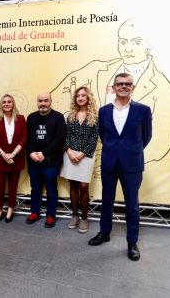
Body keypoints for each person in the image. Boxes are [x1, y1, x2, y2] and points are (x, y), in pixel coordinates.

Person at [51, 19, 170, 165]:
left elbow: (159, 145)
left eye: (136, 42)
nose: (128, 48)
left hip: (125, 161)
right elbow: (57, 96)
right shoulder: (97, 69)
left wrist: (120, 153)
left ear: (149, 45)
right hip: (89, 155)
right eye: (123, 42)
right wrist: (68, 119)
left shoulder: (169, 92)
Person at [88, 73, 152, 261]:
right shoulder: (104, 111)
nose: (123, 86)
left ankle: (132, 242)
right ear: (113, 87)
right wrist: (114, 149)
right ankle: (104, 233)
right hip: (109, 162)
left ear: (132, 87)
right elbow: (103, 135)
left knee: (132, 204)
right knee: (106, 200)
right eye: (120, 84)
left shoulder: (143, 110)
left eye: (127, 84)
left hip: (132, 164)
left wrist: (130, 150)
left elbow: (146, 137)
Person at [59, 87, 99, 233]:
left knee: (83, 186)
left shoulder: (94, 116)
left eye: (83, 95)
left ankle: (84, 218)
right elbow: (66, 136)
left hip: (86, 155)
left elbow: (94, 138)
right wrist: (69, 152)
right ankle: (75, 216)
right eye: (78, 96)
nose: (80, 98)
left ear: (88, 98)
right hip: (70, 154)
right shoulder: (71, 115)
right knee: (73, 186)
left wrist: (81, 154)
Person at [25, 92, 66, 228]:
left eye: (45, 101)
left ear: (50, 101)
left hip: (51, 162)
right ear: (37, 102)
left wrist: (44, 153)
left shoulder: (58, 117)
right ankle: (34, 212)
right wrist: (31, 153)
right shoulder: (31, 117)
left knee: (51, 190)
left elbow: (60, 138)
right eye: (40, 101)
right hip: (33, 162)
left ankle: (50, 215)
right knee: (35, 189)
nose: (43, 103)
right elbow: (27, 138)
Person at [0, 94, 27, 223]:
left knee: (13, 186)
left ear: (13, 103)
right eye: (4, 102)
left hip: (16, 158)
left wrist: (12, 154)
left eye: (9, 101)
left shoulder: (21, 119)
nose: (6, 104)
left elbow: (24, 138)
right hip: (0, 158)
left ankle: (10, 209)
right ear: (1, 104)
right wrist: (4, 154)